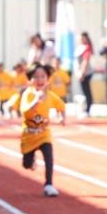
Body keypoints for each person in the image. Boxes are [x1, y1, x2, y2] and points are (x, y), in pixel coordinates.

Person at [19, 63, 66, 197]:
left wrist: (62, 118)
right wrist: (36, 101)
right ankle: (31, 159)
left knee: (49, 157)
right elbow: (24, 110)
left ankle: (49, 185)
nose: (40, 80)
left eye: (43, 76)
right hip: (29, 135)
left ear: (47, 78)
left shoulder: (50, 95)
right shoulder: (27, 94)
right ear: (30, 79)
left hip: (44, 134)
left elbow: (61, 106)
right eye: (36, 77)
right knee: (26, 164)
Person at [76, 32, 95, 116]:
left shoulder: (87, 48)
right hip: (80, 72)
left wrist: (82, 73)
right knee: (83, 91)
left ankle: (87, 109)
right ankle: (84, 109)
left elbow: (85, 61)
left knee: (86, 91)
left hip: (85, 73)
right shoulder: (79, 48)